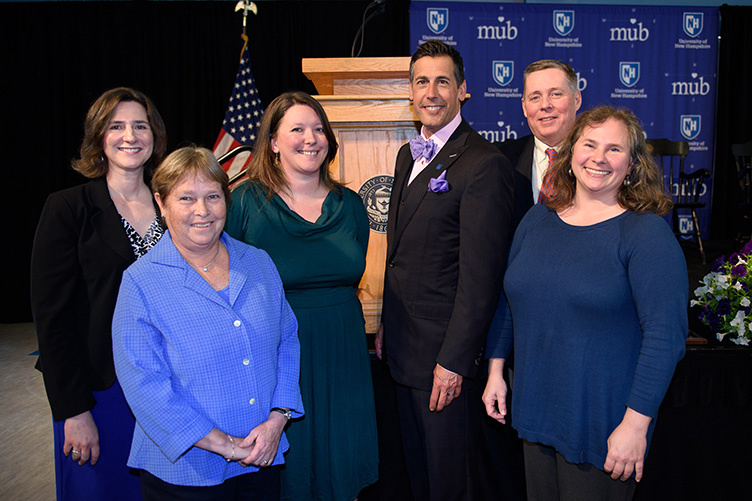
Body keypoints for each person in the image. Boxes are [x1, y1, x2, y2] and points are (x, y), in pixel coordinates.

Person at [483, 105, 687, 500]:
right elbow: (510, 300)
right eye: (590, 144)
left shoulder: (646, 235)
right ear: (570, 152)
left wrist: (635, 426)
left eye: (614, 149)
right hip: (536, 414)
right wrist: (494, 371)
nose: (599, 157)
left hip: (604, 428)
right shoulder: (537, 220)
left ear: (632, 165)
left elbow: (666, 339)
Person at [112, 146, 303, 499]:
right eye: (186, 198)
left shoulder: (259, 262)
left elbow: (287, 341)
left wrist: (278, 419)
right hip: (186, 472)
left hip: (261, 459)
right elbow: (145, 384)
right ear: (161, 202)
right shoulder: (140, 282)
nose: (202, 211)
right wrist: (227, 446)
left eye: (212, 196)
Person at [375, 40, 514, 500]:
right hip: (402, 351)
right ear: (410, 92)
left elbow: (480, 279)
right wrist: (384, 328)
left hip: (441, 362)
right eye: (421, 81)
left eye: (442, 81)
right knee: (417, 478)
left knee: (449, 485)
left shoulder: (483, 164)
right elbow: (401, 256)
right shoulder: (404, 155)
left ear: (463, 90)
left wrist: (453, 362)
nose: (430, 92)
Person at [225, 91, 378, 501]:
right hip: (276, 353)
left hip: (343, 350)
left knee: (340, 465)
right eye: (297, 129)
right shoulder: (244, 202)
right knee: (290, 472)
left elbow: (354, 269)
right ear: (273, 141)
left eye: (318, 129)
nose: (310, 138)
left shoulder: (351, 205)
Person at [30, 87, 167, 500]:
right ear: (98, 138)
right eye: (116, 126)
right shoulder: (68, 208)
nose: (130, 136)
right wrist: (73, 409)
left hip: (169, 385)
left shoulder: (174, 205)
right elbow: (52, 318)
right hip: (99, 391)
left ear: (155, 136)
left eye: (140, 125)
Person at [498, 59, 582, 225]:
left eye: (555, 94)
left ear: (577, 99)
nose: (545, 105)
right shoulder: (501, 160)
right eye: (535, 97)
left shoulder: (597, 161)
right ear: (524, 107)